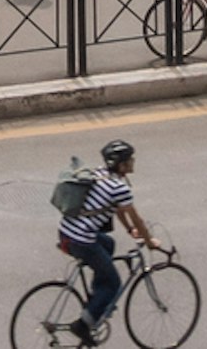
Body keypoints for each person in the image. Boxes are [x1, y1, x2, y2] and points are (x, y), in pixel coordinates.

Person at [52, 137, 156, 341]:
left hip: (66, 232)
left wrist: (129, 230)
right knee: (114, 283)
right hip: (82, 240)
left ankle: (96, 298)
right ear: (122, 164)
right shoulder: (119, 188)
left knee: (109, 243)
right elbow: (136, 217)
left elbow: (118, 210)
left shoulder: (100, 174)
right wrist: (150, 241)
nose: (133, 162)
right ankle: (83, 325)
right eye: (130, 159)